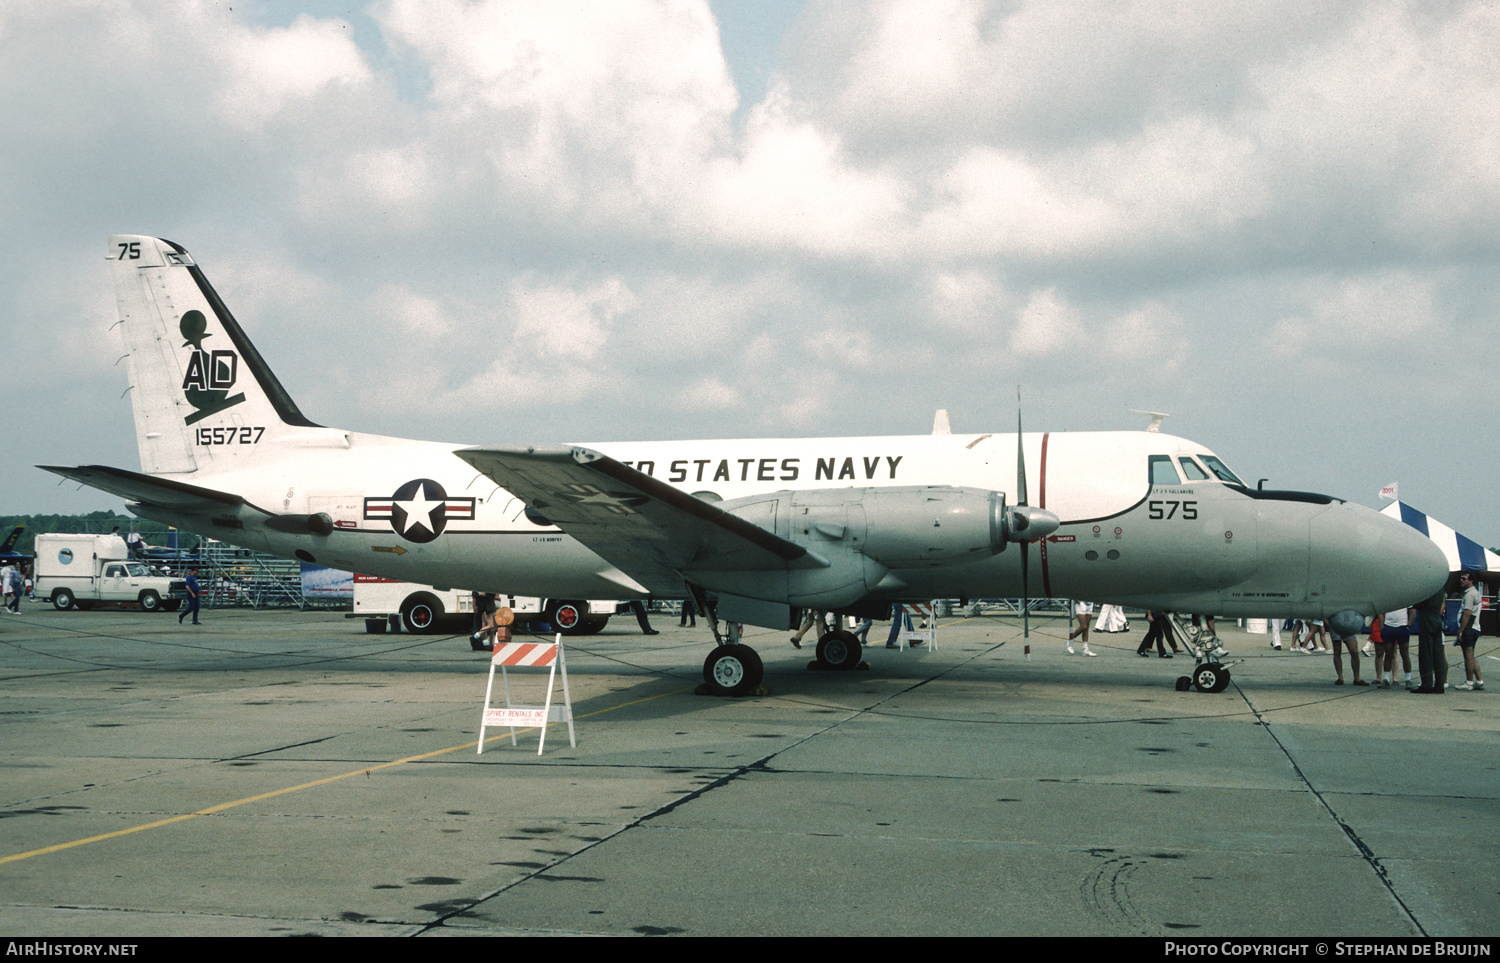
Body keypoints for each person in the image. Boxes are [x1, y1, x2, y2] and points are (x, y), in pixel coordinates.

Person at [1412, 587, 1447, 694]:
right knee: (1438, 654)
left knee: (1426, 652)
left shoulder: (1429, 587)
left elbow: (1422, 602)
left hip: (1427, 617)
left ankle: (1427, 684)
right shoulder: (1440, 586)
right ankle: (1439, 684)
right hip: (1436, 617)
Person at [1454, 572, 1485, 691]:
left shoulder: (1470, 595)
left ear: (1471, 580)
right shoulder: (1474, 592)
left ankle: (1469, 682)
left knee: (1468, 656)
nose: (1461, 580)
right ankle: (1479, 681)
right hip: (1474, 628)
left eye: (1464, 578)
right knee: (1471, 656)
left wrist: (1460, 631)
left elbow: (1467, 613)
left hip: (1468, 628)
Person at [1329, 620, 1367, 686]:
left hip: (1348, 625)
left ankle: (1357, 678)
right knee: (1337, 651)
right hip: (1335, 625)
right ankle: (1340, 677)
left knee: (1354, 651)